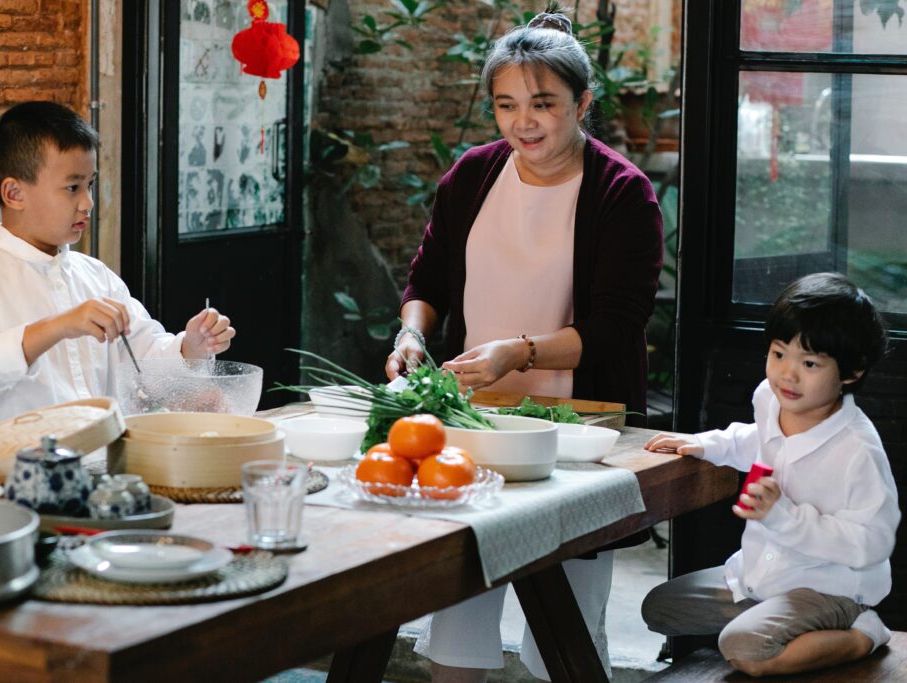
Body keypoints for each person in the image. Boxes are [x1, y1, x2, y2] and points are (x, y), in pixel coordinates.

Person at [384, 7, 663, 681]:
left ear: (583, 102)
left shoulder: (623, 194)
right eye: (507, 105)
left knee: (562, 642)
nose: (523, 123)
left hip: (576, 437)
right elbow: (427, 278)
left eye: (543, 103)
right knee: (458, 621)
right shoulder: (474, 176)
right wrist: (411, 332)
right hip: (477, 428)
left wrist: (516, 352)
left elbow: (612, 329)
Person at [642, 272, 898, 677]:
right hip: (763, 573)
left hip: (829, 587)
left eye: (810, 363)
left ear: (850, 373)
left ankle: (862, 632)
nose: (787, 375)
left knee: (742, 648)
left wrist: (783, 516)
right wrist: (709, 445)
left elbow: (874, 542)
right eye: (779, 354)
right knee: (660, 609)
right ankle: (774, 621)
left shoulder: (857, 450)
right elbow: (757, 439)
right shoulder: (770, 397)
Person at [0, 101, 236, 437]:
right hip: (15, 479)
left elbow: (144, 359)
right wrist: (59, 325)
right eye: (72, 187)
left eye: (89, 185)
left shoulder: (97, 277)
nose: (88, 202)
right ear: (14, 193)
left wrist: (190, 347)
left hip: (104, 472)